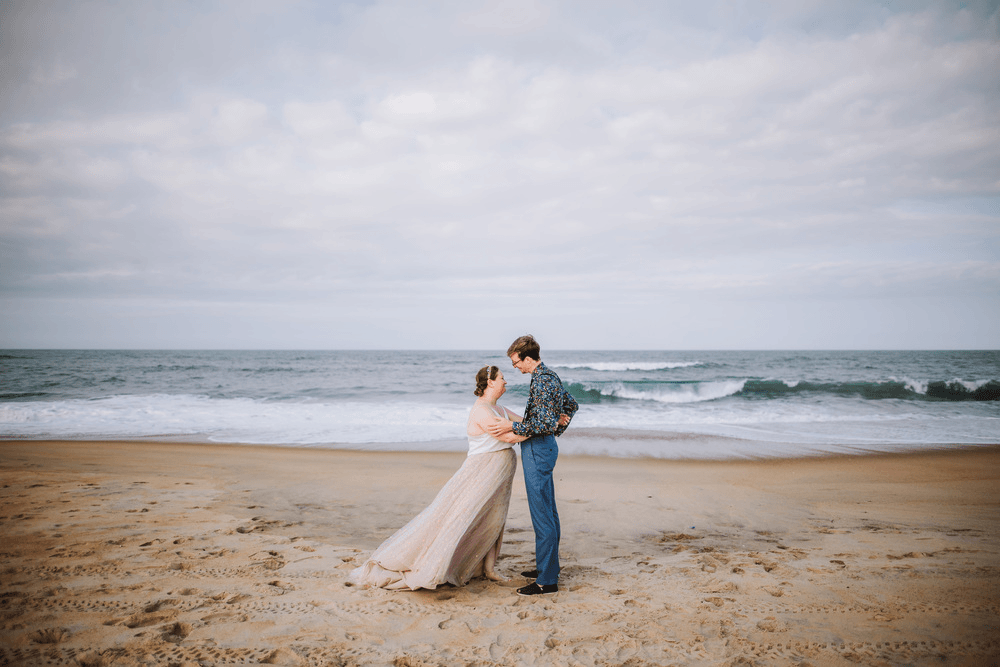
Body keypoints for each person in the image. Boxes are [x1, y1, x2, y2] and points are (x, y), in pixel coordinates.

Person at [349, 365, 527, 590]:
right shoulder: (482, 411)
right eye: (502, 378)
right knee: (460, 517)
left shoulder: (500, 409)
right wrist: (540, 427)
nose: (506, 381)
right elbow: (512, 436)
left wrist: (546, 421)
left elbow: (525, 422)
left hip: (498, 474)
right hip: (480, 472)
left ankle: (489, 569)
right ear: (490, 382)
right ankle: (434, 565)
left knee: (494, 518)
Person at [488, 334, 578, 596]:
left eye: (516, 362)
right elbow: (571, 404)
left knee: (542, 515)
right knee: (548, 510)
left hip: (538, 449)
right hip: (543, 447)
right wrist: (561, 422)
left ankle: (547, 581)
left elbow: (541, 425)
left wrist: (510, 425)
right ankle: (548, 567)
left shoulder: (541, 381)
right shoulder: (549, 376)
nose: (515, 367)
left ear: (528, 358)